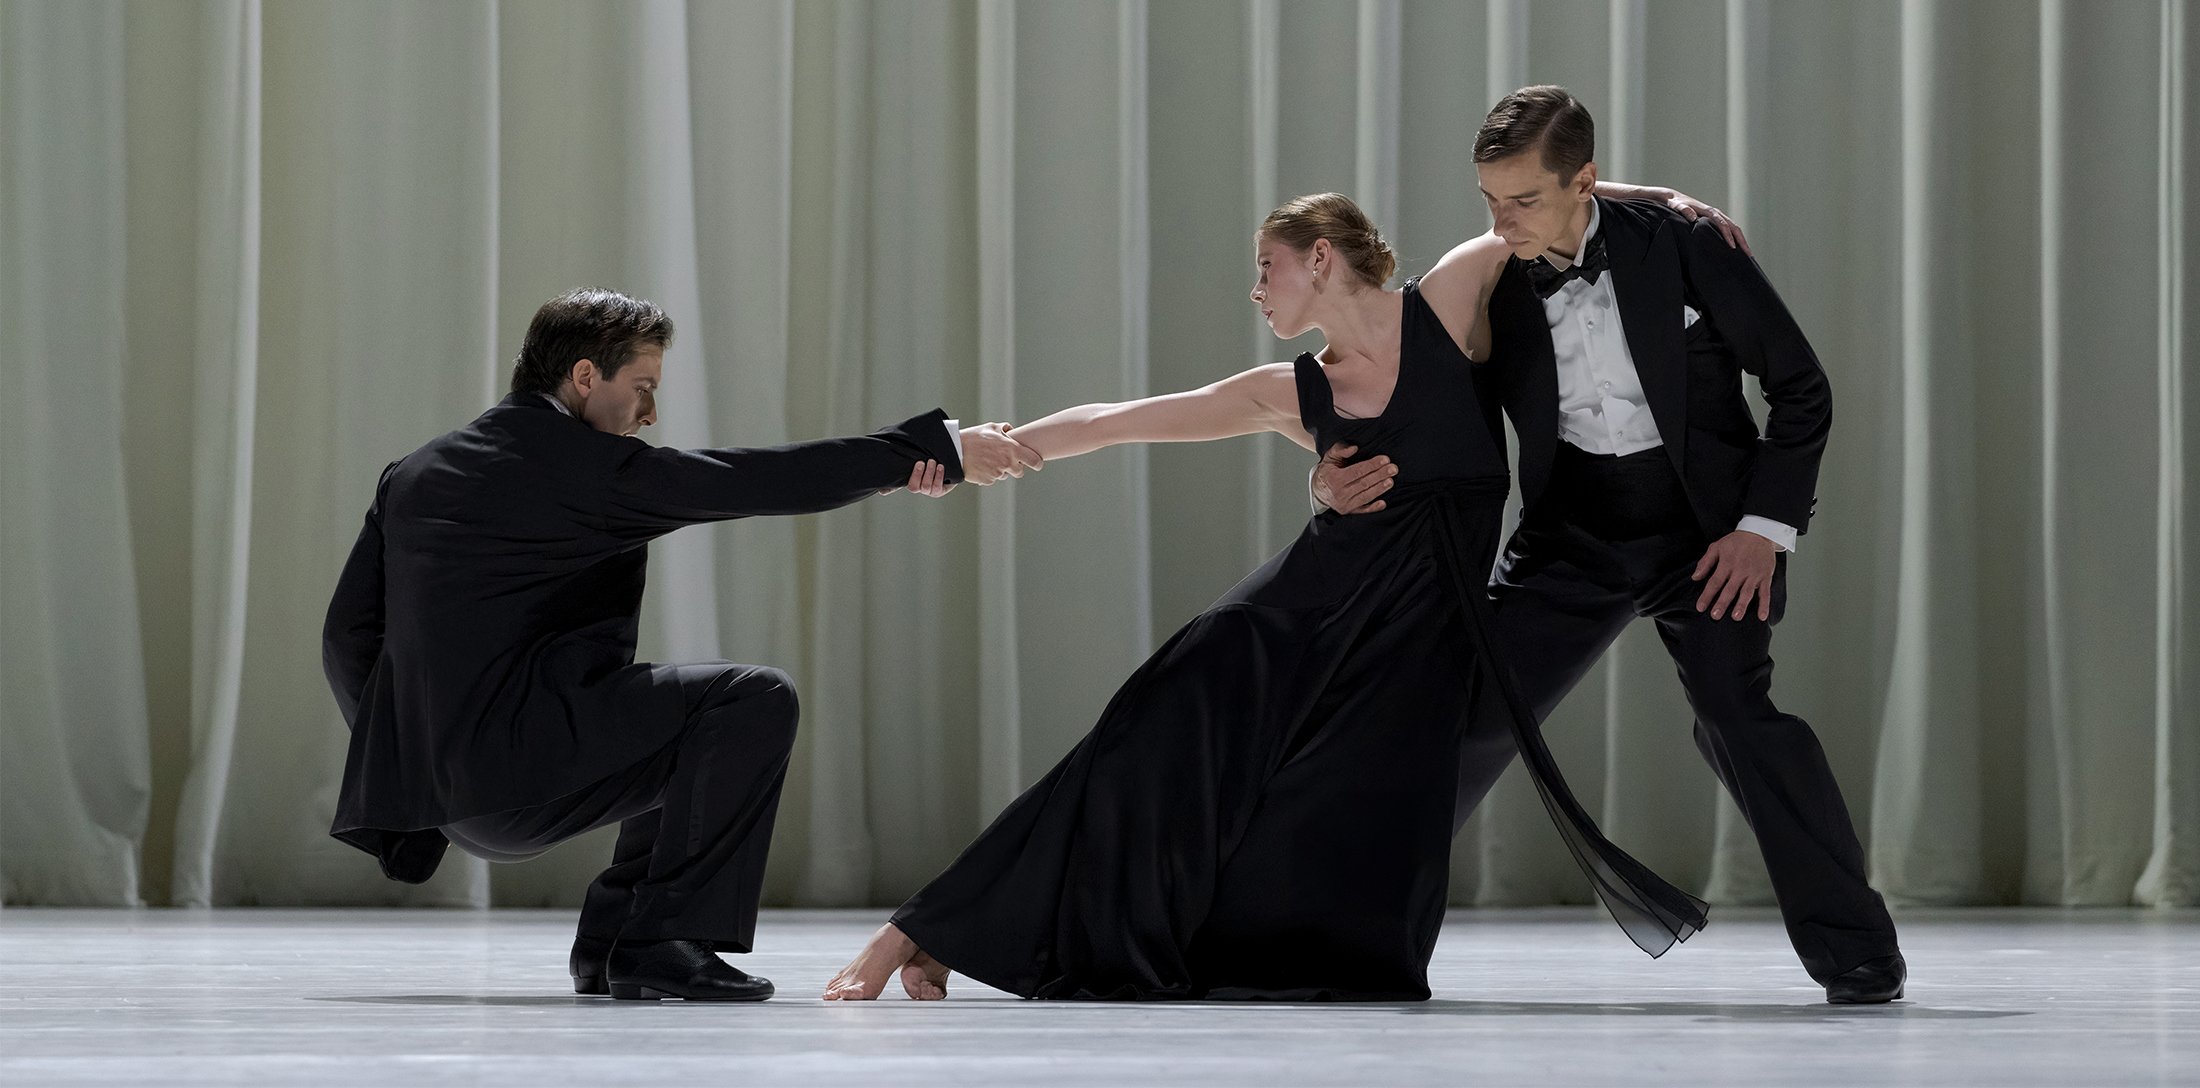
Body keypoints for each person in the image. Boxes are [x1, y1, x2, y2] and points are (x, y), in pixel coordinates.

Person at [825, 181, 1738, 1003]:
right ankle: (916, 932)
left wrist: (1662, 198)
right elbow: (1114, 423)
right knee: (1125, 761)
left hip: (1404, 650)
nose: (1257, 290)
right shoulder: (1290, 392)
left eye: (1267, 268)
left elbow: (1536, 205)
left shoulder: (1451, 303)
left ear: (1320, 257)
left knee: (1336, 826)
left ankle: (1029, 940)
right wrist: (990, 447)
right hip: (1278, 628)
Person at [1315, 86, 1906, 1004]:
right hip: (1571, 531)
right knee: (1461, 719)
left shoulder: (1682, 244)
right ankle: (1350, 939)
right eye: (1489, 200)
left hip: (1707, 531)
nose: (1502, 223)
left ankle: (1860, 957)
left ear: (1584, 181)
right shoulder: (1484, 278)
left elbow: (1800, 388)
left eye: (1525, 200)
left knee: (1739, 721)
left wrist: (1761, 530)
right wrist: (1327, 475)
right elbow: (1406, 406)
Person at [321, 287, 1040, 1002]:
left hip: (448, 798)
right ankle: (662, 939)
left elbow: (348, 638)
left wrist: (414, 765)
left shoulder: (416, 472)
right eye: (642, 388)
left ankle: (612, 943)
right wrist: (935, 454)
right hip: (523, 780)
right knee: (750, 701)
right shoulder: (582, 469)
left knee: (681, 717)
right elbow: (758, 478)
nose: (650, 413)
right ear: (582, 377)